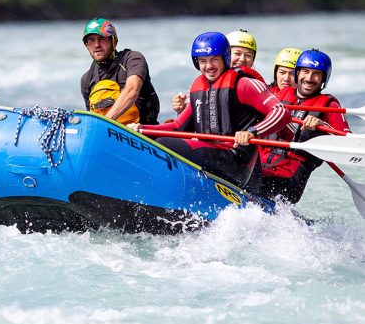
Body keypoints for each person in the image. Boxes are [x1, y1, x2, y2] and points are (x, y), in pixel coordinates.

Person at [128, 32, 291, 188]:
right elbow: (178, 127)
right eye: (203, 61)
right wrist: (142, 129)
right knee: (151, 141)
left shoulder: (244, 84)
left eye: (214, 59)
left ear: (225, 59)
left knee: (163, 144)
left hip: (235, 159)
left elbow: (281, 112)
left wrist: (252, 132)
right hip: (211, 153)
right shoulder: (198, 88)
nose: (209, 66)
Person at [259, 49, 351, 203]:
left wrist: (323, 126)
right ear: (298, 74)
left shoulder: (330, 106)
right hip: (259, 167)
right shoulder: (280, 94)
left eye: (316, 74)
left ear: (323, 79)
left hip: (289, 178)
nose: (309, 78)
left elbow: (347, 143)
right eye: (305, 72)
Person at [80, 17, 160, 124]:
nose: (97, 45)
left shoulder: (132, 59)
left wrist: (105, 123)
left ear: (114, 42)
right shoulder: (87, 79)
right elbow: (91, 118)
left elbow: (132, 90)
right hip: (105, 133)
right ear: (86, 45)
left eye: (102, 39)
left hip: (142, 133)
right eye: (91, 40)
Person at [171, 29, 257, 114]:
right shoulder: (199, 87)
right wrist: (182, 110)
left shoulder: (254, 85)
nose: (242, 59)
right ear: (226, 55)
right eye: (237, 53)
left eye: (248, 55)